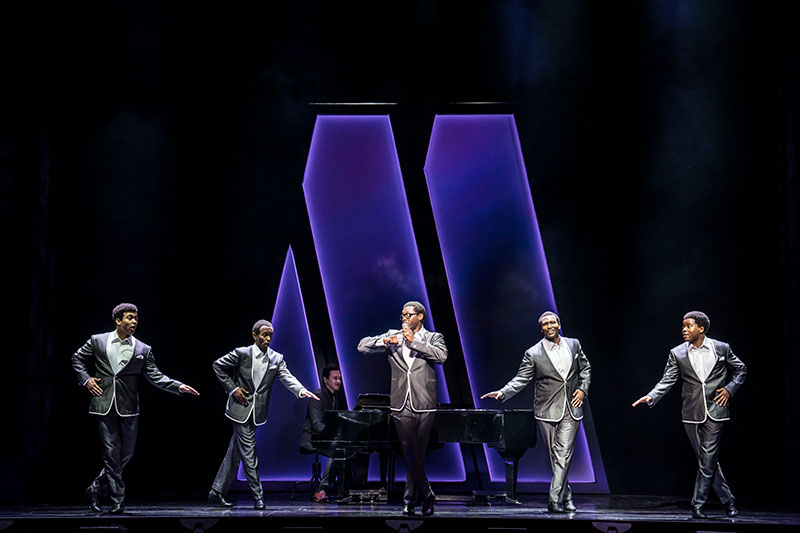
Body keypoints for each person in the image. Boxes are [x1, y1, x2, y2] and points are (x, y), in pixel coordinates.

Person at [71, 303, 200, 514]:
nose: (134, 322)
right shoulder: (98, 340)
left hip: (129, 406)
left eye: (136, 319)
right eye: (129, 318)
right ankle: (117, 502)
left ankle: (95, 487)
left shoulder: (142, 349)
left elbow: (155, 376)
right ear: (118, 320)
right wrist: (85, 380)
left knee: (126, 454)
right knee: (111, 454)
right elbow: (77, 358)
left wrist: (178, 386)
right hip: (103, 403)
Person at [633, 311, 746, 519]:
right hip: (692, 412)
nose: (684, 330)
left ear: (701, 328)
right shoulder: (677, 353)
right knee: (706, 460)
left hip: (715, 410)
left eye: (689, 326)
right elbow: (667, 380)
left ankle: (698, 505)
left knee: (708, 457)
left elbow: (741, 370)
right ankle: (728, 499)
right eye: (683, 326)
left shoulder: (721, 348)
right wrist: (651, 396)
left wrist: (730, 389)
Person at [481, 311, 590, 514]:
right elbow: (521, 379)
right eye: (545, 324)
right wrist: (503, 392)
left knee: (563, 454)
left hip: (572, 407)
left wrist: (583, 389)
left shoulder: (574, 344)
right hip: (546, 408)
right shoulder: (533, 353)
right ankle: (567, 497)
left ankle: (553, 500)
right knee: (555, 456)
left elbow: (585, 368)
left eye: (553, 322)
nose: (549, 326)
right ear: (541, 328)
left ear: (559, 324)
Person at [208, 319, 319, 510]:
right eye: (264, 335)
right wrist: (233, 389)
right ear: (255, 335)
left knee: (235, 453)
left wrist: (301, 390)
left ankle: (216, 492)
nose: (268, 338)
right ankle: (258, 496)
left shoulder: (276, 358)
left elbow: (287, 376)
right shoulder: (242, 353)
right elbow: (217, 365)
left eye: (270, 335)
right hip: (239, 409)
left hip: (257, 412)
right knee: (249, 453)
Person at [357, 301, 447, 516]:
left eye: (408, 315)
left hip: (425, 402)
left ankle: (411, 502)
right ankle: (427, 494)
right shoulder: (393, 334)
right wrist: (384, 341)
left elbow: (441, 356)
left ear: (420, 316)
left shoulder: (433, 337)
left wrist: (413, 341)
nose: (404, 318)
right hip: (400, 402)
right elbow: (362, 346)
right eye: (403, 315)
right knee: (409, 449)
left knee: (418, 453)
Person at [300, 363, 347, 502]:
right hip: (312, 439)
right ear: (326, 380)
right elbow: (317, 425)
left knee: (348, 449)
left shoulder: (334, 399)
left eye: (339, 378)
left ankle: (344, 489)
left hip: (325, 438)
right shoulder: (317, 396)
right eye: (335, 378)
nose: (338, 381)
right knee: (338, 451)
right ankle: (321, 489)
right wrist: (335, 436)